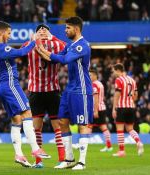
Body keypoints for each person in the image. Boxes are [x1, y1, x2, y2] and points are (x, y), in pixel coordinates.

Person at [0, 21, 50, 168]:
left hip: (2, 87)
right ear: (2, 32)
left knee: (16, 120)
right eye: (8, 33)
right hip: (10, 85)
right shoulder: (1, 47)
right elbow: (21, 53)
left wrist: (29, 42)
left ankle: (19, 155)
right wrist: (34, 41)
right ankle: (35, 148)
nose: (9, 36)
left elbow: (14, 52)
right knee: (27, 113)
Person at [36, 16, 93, 170]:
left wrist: (44, 50)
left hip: (81, 90)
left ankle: (81, 162)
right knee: (62, 122)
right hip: (69, 90)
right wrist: (41, 51)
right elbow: (56, 58)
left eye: (68, 28)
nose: (65, 30)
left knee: (82, 124)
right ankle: (68, 159)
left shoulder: (82, 46)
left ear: (76, 28)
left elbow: (65, 59)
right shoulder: (70, 45)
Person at [22, 23, 66, 168]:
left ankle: (62, 159)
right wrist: (37, 39)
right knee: (36, 128)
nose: (42, 30)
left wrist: (49, 37)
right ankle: (38, 161)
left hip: (52, 91)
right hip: (36, 92)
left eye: (45, 29)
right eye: (39, 29)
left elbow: (65, 46)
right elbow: (21, 52)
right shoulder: (29, 44)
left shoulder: (56, 44)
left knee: (57, 126)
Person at [111, 63, 144, 157]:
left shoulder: (118, 80)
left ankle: (121, 151)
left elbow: (117, 94)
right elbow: (136, 96)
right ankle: (139, 142)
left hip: (121, 107)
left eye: (114, 71)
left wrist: (114, 108)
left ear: (118, 70)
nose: (113, 73)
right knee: (130, 129)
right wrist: (129, 100)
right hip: (131, 107)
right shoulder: (132, 80)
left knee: (120, 129)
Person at [89, 69, 113, 152]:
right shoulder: (100, 84)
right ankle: (109, 146)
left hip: (97, 108)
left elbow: (95, 98)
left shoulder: (94, 85)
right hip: (102, 107)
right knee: (104, 128)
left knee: (88, 126)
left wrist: (95, 110)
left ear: (95, 75)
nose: (89, 77)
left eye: (90, 75)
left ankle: (81, 144)